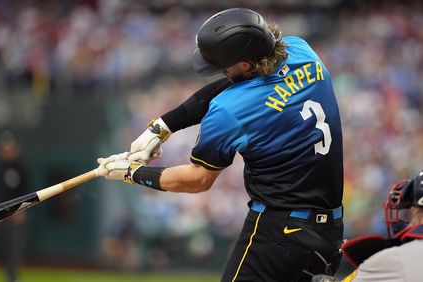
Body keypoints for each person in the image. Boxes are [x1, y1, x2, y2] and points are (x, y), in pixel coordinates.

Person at [97, 8, 344, 281]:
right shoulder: (303, 52)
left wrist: (132, 173)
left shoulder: (229, 111)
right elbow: (233, 88)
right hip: (330, 231)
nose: (221, 72)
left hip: (278, 233)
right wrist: (163, 126)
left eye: (225, 67)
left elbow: (197, 180)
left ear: (246, 65)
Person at [0, 131, 30, 282]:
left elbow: (29, 193)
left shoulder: (22, 168)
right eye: (4, 149)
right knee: (4, 248)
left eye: (10, 148)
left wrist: (21, 211)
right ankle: (8, 277)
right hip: (2, 214)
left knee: (16, 249)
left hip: (17, 215)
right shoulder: (0, 168)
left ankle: (14, 278)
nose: (7, 152)